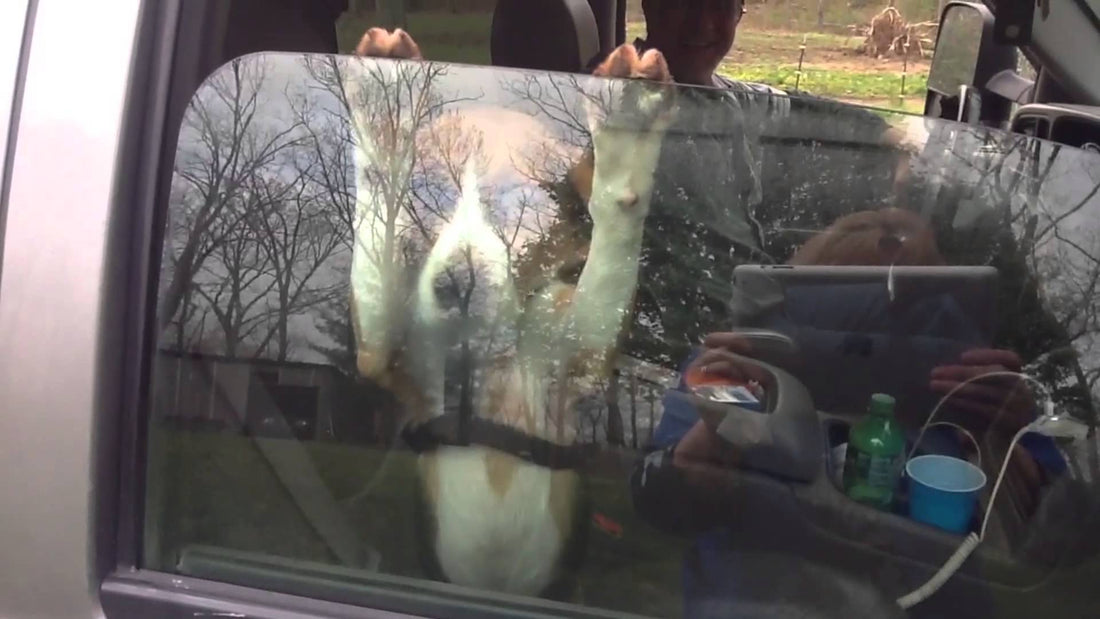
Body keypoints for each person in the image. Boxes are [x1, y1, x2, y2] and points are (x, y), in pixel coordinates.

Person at [630, 207, 1068, 617]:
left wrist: (1003, 433)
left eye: (898, 329)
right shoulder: (736, 370)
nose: (860, 348)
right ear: (798, 301)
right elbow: (662, 504)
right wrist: (724, 422)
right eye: (832, 318)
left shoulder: (978, 386)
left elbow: (1055, 542)